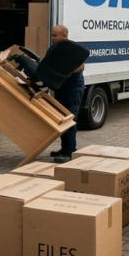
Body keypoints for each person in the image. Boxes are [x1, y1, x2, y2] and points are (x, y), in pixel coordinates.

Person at [49, 25, 85, 163]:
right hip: (60, 88)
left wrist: (64, 70)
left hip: (73, 89)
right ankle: (64, 148)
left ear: (64, 36)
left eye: (55, 36)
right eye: (52, 35)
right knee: (61, 119)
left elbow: (81, 67)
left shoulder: (73, 49)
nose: (52, 38)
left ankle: (69, 151)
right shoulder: (53, 49)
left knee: (69, 120)